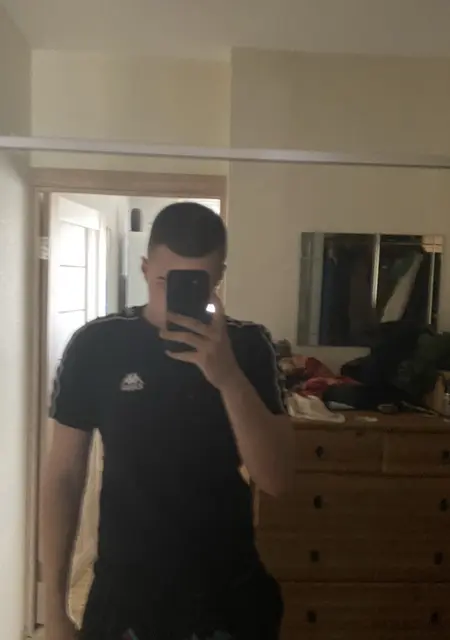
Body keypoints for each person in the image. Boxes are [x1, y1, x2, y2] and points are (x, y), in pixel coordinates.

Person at [42, 202, 295, 640]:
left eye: (197, 283)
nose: (178, 297)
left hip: (227, 594)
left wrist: (228, 377)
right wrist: (53, 610)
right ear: (145, 269)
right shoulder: (97, 345)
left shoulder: (249, 345)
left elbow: (276, 480)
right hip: (125, 594)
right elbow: (63, 476)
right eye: (166, 281)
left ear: (219, 277)